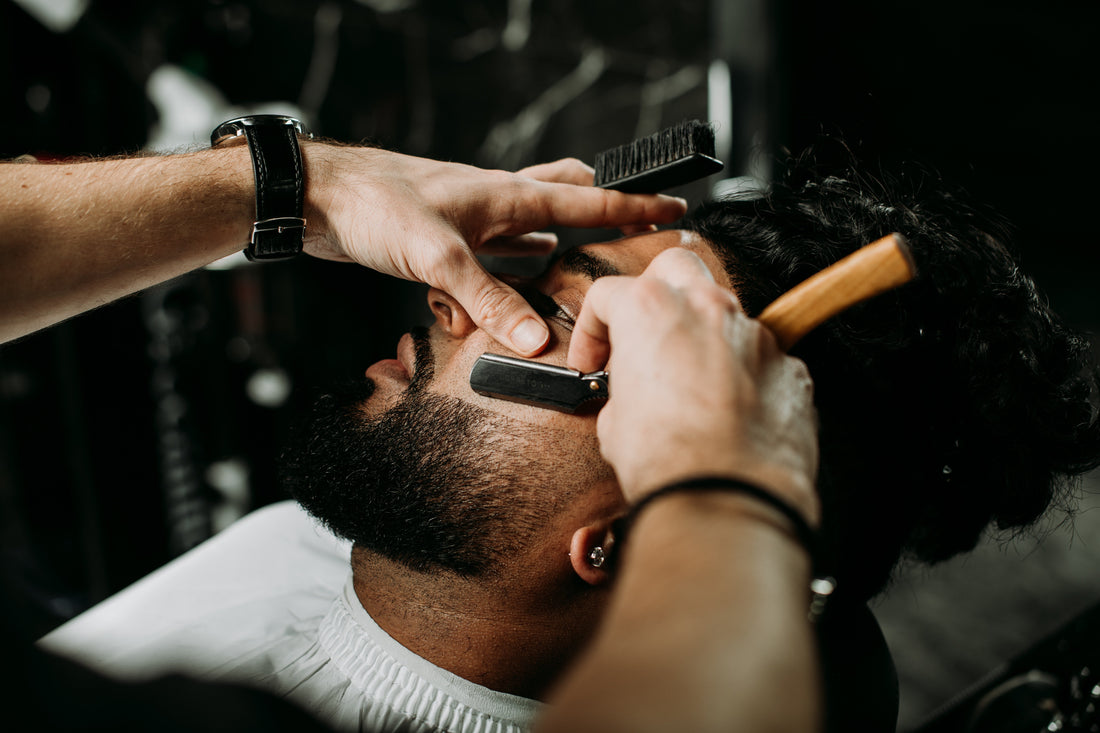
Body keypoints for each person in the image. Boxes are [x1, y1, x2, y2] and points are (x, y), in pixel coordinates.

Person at [2, 134, 823, 732]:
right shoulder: (289, 543)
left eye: (563, 314)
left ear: (632, 536)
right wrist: (303, 182)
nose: (447, 295)